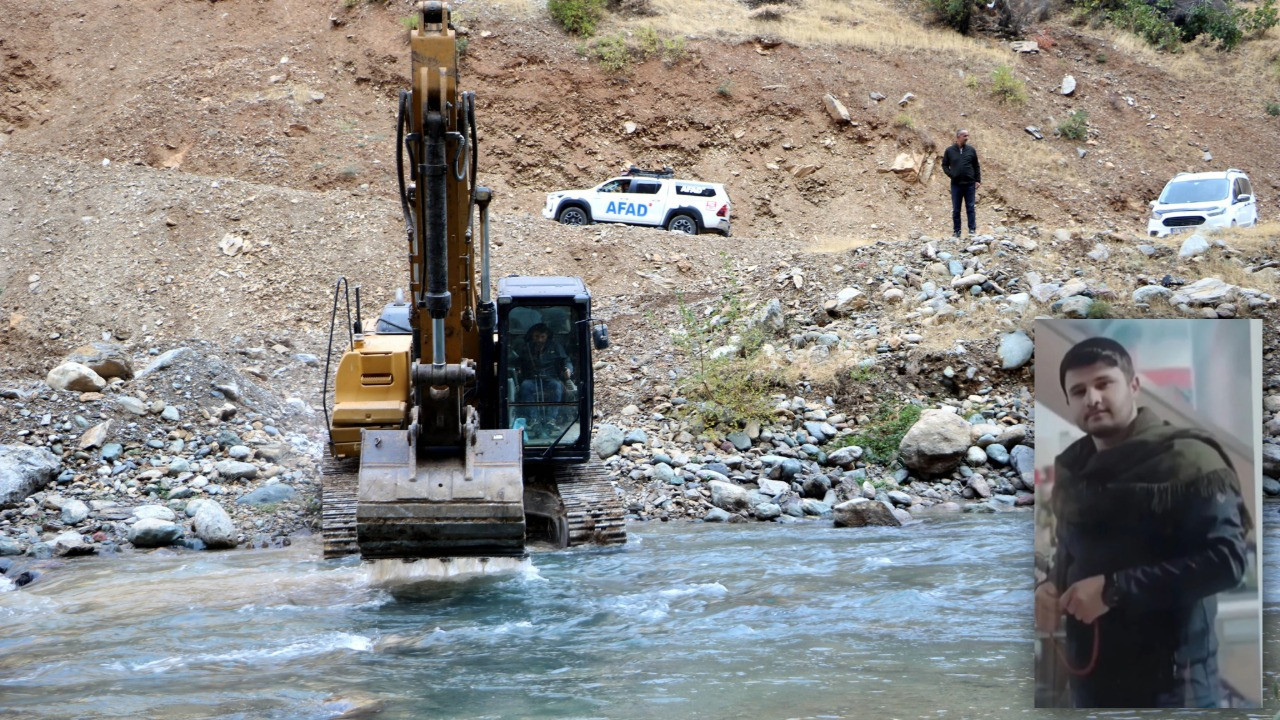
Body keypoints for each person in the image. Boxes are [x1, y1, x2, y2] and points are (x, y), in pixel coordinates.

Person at [1035, 337, 1249, 708]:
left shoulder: (1190, 459)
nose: (1093, 399)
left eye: (1104, 384)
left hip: (1173, 683)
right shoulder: (1072, 465)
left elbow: (1228, 562)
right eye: (1079, 390)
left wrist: (1113, 589)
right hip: (1092, 677)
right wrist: (1050, 587)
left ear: (1133, 386)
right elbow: (1070, 548)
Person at [514, 323, 573, 431]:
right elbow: (517, 363)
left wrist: (568, 370)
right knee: (525, 386)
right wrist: (517, 371)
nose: (540, 340)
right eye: (537, 337)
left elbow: (566, 361)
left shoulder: (555, 346)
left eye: (542, 337)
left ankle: (551, 420)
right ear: (532, 336)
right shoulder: (526, 348)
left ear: (547, 337)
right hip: (531, 379)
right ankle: (534, 420)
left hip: (551, 379)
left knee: (556, 386)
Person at [941, 129, 981, 238]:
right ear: (958, 137)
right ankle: (957, 231)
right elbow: (944, 165)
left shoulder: (971, 150)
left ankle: (972, 230)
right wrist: (951, 174)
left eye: (967, 135)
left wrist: (978, 180)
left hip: (969, 184)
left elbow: (976, 166)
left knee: (970, 207)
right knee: (956, 209)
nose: (967, 138)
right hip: (956, 184)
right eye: (964, 136)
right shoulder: (949, 150)